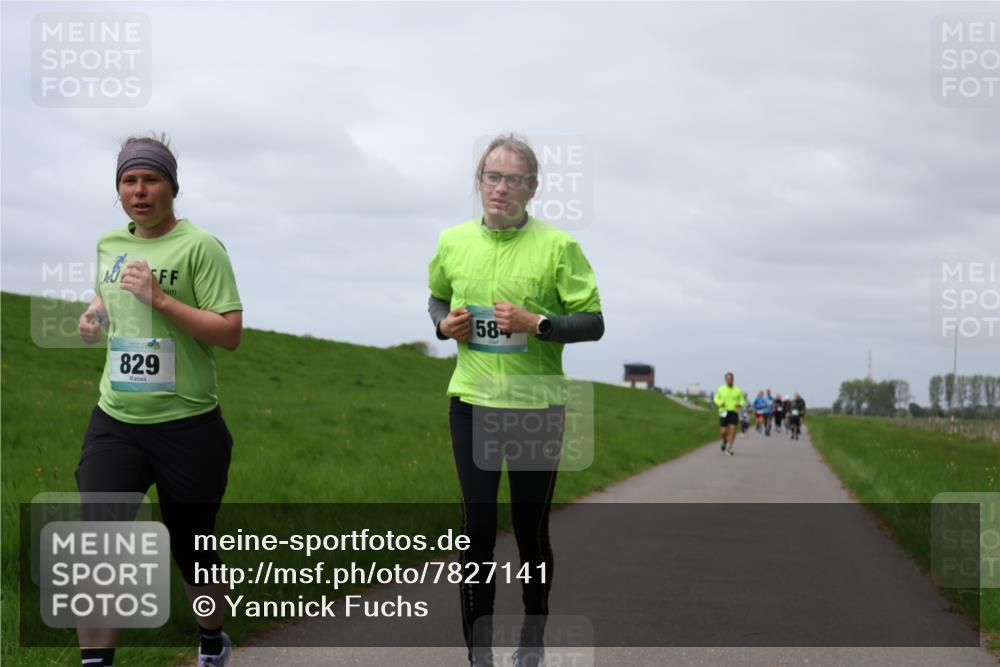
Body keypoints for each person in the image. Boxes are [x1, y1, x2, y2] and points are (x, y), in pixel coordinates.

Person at [427, 134, 604, 667]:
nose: (501, 188)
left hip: (536, 406)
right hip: (473, 403)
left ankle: (531, 640)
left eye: (514, 179)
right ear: (479, 182)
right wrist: (443, 323)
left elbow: (593, 322)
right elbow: (437, 294)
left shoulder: (558, 247)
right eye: (492, 177)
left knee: (530, 532)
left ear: (532, 187)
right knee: (478, 529)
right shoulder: (452, 241)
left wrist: (539, 324)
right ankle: (478, 654)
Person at [77, 135, 242, 667]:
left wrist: (162, 299)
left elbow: (229, 332)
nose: (140, 191)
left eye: (151, 180)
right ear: (118, 190)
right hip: (116, 420)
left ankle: (212, 637)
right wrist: (94, 316)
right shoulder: (108, 243)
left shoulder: (201, 248)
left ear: (172, 186)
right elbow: (108, 292)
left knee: (193, 549)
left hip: (188, 426)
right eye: (129, 181)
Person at [713, 373, 745, 455]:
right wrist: (720, 403)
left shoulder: (738, 390)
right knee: (723, 432)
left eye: (730, 378)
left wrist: (740, 404)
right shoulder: (721, 389)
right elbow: (716, 398)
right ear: (725, 380)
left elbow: (742, 400)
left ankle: (729, 448)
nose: (729, 380)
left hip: (734, 411)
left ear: (733, 379)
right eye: (727, 379)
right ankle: (724, 440)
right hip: (723, 411)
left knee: (733, 430)